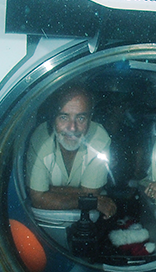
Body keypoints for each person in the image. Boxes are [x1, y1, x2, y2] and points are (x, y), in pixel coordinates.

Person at [26, 84, 117, 219]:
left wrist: (48, 191)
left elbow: (91, 194)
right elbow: (37, 199)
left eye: (80, 118)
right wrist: (90, 199)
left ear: (90, 118)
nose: (72, 128)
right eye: (63, 117)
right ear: (53, 119)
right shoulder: (40, 139)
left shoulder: (100, 138)